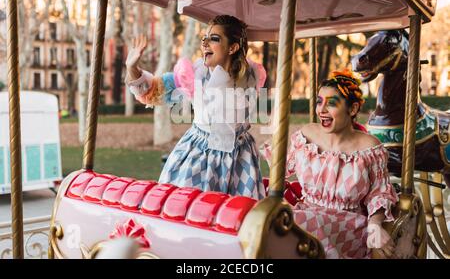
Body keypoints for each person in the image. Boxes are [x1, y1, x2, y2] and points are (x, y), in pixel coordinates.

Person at [125, 15, 266, 199]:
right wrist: (132, 68)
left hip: (240, 156)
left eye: (214, 39)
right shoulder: (195, 74)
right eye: (204, 39)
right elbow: (153, 90)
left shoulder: (251, 75)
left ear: (233, 47)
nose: (205, 43)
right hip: (201, 155)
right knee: (196, 209)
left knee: (239, 215)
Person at [261, 69, 398, 258]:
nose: (321, 110)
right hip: (307, 214)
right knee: (273, 220)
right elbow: (282, 169)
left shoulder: (369, 148)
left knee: (293, 225)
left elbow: (379, 194)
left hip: (348, 226)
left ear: (353, 109)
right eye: (319, 101)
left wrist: (375, 225)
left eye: (331, 103)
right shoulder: (307, 135)